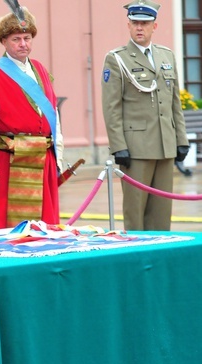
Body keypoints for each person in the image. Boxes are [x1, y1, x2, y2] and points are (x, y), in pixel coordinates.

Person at [101, 0, 187, 231]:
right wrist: (118, 145)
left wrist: (181, 139)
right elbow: (111, 107)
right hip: (135, 147)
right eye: (135, 23)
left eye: (145, 23)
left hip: (164, 143)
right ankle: (138, 257)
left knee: (162, 212)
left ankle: (159, 257)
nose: (140, 27)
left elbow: (174, 103)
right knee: (135, 212)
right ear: (128, 25)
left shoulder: (166, 56)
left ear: (154, 27)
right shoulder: (117, 58)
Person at [0, 6, 64, 228]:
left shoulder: (41, 70)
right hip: (9, 160)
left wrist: (59, 159)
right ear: (4, 42)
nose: (23, 44)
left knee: (44, 229)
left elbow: (54, 116)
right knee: (6, 228)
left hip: (43, 158)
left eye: (27, 38)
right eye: (16, 39)